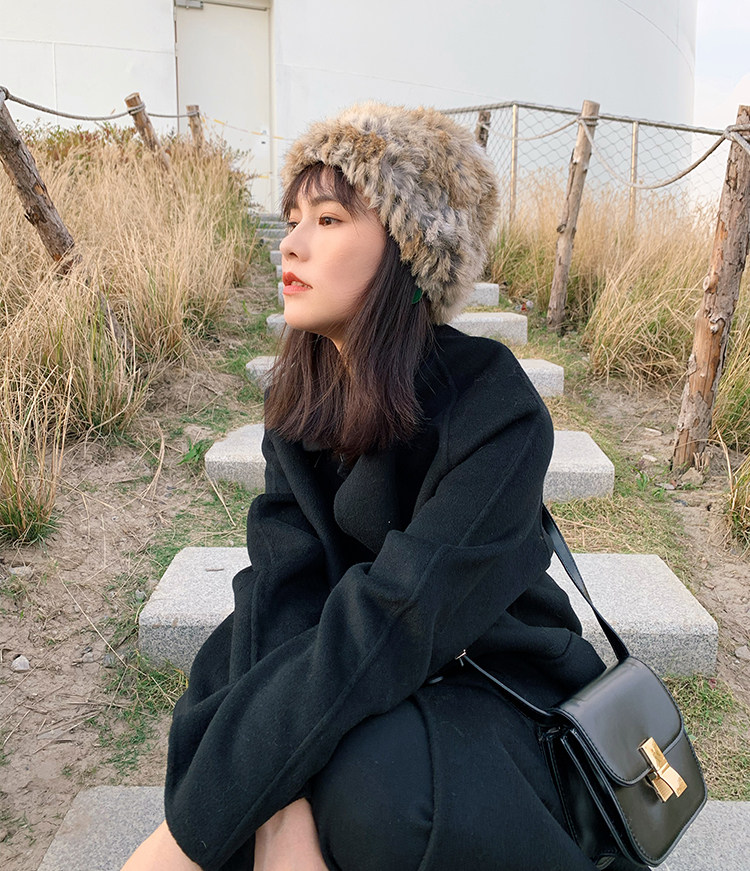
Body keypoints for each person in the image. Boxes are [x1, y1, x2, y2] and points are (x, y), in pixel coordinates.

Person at [121, 102, 612, 871]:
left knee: (375, 784)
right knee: (224, 678)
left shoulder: (494, 405)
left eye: (327, 219)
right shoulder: (301, 402)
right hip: (363, 655)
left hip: (489, 676)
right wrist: (279, 813)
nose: (291, 243)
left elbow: (400, 613)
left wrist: (182, 843)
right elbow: (281, 585)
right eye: (293, 219)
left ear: (410, 252)